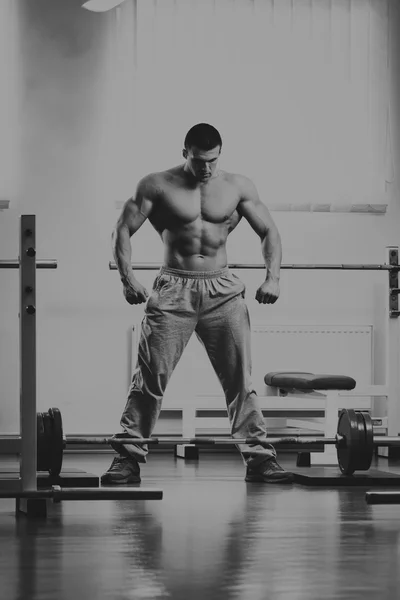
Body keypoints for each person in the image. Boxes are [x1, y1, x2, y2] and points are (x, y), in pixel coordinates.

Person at [101, 123, 294, 485]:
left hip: (222, 289)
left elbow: (269, 230)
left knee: (240, 379)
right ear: (184, 152)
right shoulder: (156, 185)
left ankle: (259, 459)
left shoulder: (238, 186)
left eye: (213, 160)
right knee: (149, 378)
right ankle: (127, 459)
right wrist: (127, 279)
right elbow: (121, 229)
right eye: (199, 160)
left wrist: (274, 277)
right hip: (174, 286)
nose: (207, 168)